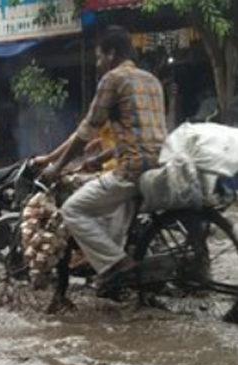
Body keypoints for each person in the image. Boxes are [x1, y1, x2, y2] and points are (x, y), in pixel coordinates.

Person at [39, 26, 167, 291]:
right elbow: (140, 135)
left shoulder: (112, 79)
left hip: (132, 170)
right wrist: (102, 158)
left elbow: (87, 130)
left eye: (99, 56)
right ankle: (118, 274)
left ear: (111, 54)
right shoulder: (151, 80)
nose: (97, 63)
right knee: (114, 220)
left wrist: (57, 167)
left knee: (73, 209)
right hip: (160, 163)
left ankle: (118, 266)